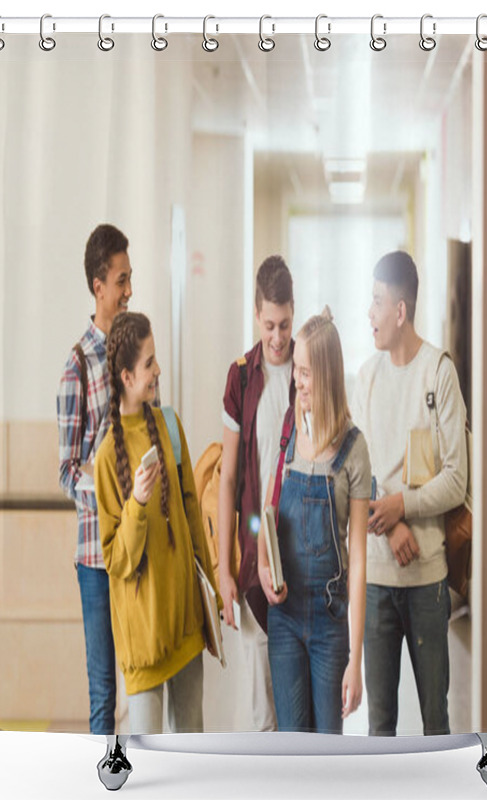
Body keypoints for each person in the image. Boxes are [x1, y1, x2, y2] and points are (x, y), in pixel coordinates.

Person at [352, 251, 468, 736]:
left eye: (377, 302)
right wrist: (395, 519)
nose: (370, 314)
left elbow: (456, 479)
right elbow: (357, 472)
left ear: (401, 312)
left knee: (435, 721)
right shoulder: (367, 379)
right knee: (380, 727)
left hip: (427, 582)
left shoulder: (438, 374)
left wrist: (405, 504)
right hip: (377, 581)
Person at [94, 311, 220, 734]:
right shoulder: (108, 455)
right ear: (127, 376)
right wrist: (137, 503)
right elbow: (114, 559)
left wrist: (211, 600)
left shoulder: (168, 424)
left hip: (185, 625)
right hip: (143, 644)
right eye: (149, 363)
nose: (158, 370)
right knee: (146, 768)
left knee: (192, 756)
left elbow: (190, 513)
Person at [258, 308, 370, 733]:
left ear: (326, 374)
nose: (297, 381)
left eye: (305, 372)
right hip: (283, 618)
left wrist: (355, 661)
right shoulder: (287, 431)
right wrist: (264, 565)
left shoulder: (354, 450)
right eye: (295, 371)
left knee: (329, 754)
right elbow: (265, 519)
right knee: (292, 749)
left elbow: (358, 561)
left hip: (329, 623)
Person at [56, 223, 132, 735]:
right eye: (121, 280)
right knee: (104, 691)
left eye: (131, 279)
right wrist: (104, 489)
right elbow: (65, 472)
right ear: (97, 285)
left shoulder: (129, 354)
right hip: (96, 558)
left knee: (140, 679)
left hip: (135, 542)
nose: (129, 290)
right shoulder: (76, 368)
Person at [216, 255, 296, 731]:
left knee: (299, 716)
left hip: (302, 562)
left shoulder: (309, 369)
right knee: (261, 718)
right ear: (256, 313)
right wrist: (225, 569)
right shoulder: (241, 377)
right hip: (251, 565)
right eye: (269, 324)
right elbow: (228, 480)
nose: (278, 337)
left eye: (285, 324)